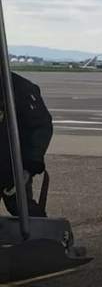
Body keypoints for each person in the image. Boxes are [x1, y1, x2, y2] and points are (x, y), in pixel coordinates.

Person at [0, 72, 53, 219]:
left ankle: (42, 236)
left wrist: (34, 159)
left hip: (13, 165)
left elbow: (41, 124)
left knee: (21, 207)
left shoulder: (19, 88)